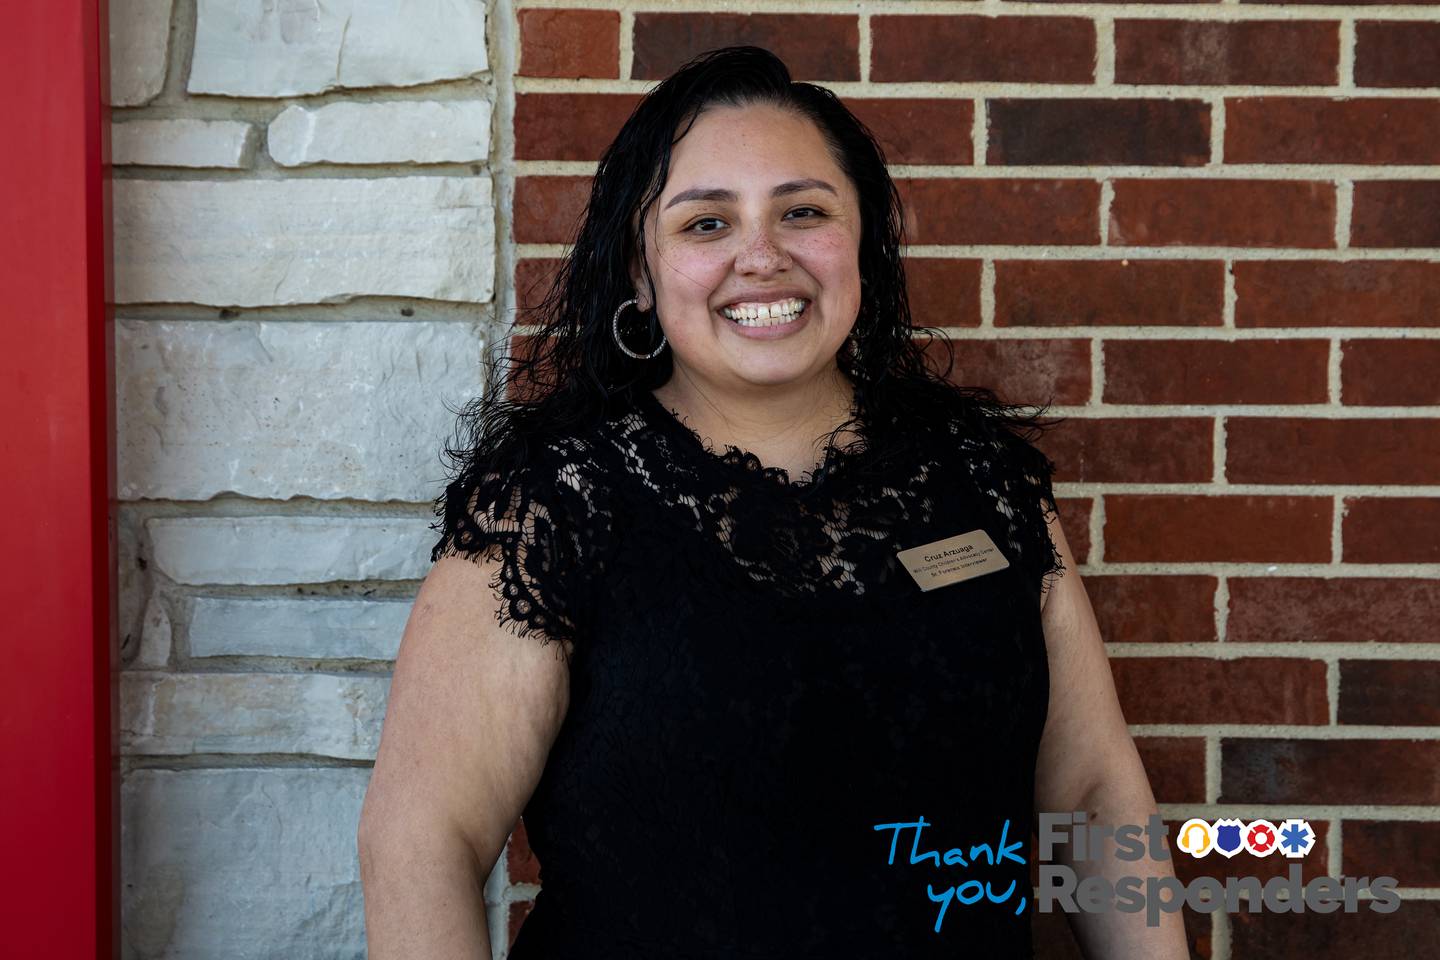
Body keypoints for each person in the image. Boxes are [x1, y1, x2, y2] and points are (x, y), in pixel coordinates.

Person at [358, 45, 1188, 959]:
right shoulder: (556, 505)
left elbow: (1094, 797)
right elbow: (422, 841)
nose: (762, 256)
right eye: (705, 224)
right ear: (640, 275)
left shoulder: (981, 481)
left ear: (862, 244)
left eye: (802, 212)